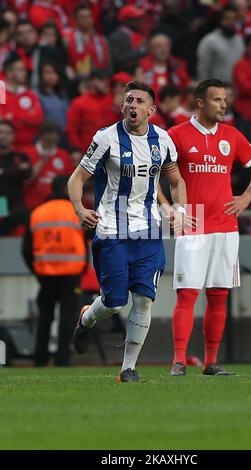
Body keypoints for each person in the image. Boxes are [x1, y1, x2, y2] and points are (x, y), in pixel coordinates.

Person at [68, 81, 187, 382]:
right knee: (114, 302)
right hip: (111, 229)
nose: (133, 105)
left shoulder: (163, 140)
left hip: (148, 230)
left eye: (139, 101)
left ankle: (128, 368)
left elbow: (176, 181)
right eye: (128, 100)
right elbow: (75, 179)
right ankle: (86, 317)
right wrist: (81, 210)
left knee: (144, 299)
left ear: (151, 109)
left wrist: (181, 211)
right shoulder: (106, 138)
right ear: (122, 106)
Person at [159, 79, 251, 376]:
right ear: (200, 102)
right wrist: (169, 209)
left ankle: (210, 362)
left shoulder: (231, 136)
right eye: (217, 99)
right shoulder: (176, 135)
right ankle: (178, 360)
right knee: (187, 294)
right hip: (192, 222)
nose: (224, 105)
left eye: (225, 99)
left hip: (225, 225)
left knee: (219, 294)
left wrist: (246, 197)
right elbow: (153, 173)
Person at [22, 175, 87, 366]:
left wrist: (37, 271)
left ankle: (40, 358)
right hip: (71, 274)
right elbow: (88, 240)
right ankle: (62, 359)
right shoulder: (76, 212)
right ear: (68, 189)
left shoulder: (37, 213)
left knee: (45, 317)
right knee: (67, 318)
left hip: (46, 275)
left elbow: (26, 249)